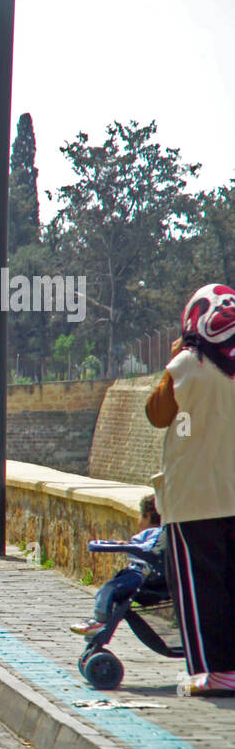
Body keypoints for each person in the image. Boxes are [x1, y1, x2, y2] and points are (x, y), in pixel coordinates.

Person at [145, 282, 235, 697]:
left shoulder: (188, 364)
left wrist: (174, 361)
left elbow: (158, 414)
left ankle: (211, 672)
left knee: (200, 588)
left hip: (194, 497)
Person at [70, 495, 162, 636]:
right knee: (111, 590)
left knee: (110, 589)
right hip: (146, 574)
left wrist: (131, 547)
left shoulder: (155, 533)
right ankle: (102, 616)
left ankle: (100, 620)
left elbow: (149, 548)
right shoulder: (167, 533)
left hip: (143, 576)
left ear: (148, 516)